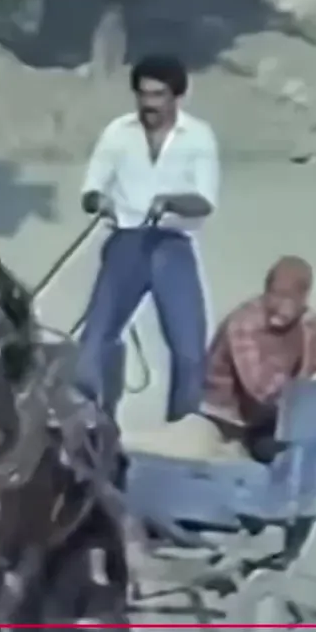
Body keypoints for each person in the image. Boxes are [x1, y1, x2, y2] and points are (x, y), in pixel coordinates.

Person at [75, 54, 220, 422]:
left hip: (172, 243)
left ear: (177, 96)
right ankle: (92, 421)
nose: (148, 104)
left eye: (158, 95)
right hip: (127, 240)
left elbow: (205, 201)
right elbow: (91, 188)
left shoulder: (198, 136)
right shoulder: (118, 131)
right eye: (143, 94)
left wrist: (171, 201)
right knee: (95, 340)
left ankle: (183, 428)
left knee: (189, 348)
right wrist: (99, 201)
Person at [200, 255, 316, 463]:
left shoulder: (308, 324)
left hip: (278, 418)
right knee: (292, 451)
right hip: (232, 423)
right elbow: (263, 391)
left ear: (304, 299)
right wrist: (314, 385)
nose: (279, 306)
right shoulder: (244, 324)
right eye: (275, 295)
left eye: (288, 298)